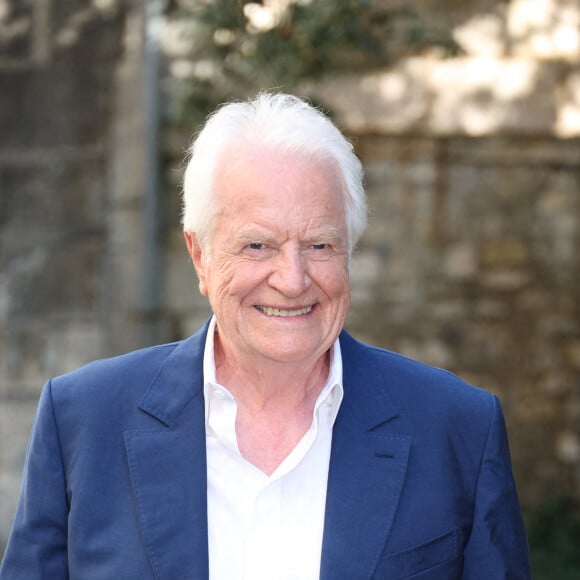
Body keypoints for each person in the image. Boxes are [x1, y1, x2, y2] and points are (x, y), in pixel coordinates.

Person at [0, 92, 530, 579]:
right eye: (257, 246)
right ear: (200, 255)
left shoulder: (458, 429)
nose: (293, 279)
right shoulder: (82, 422)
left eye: (320, 245)